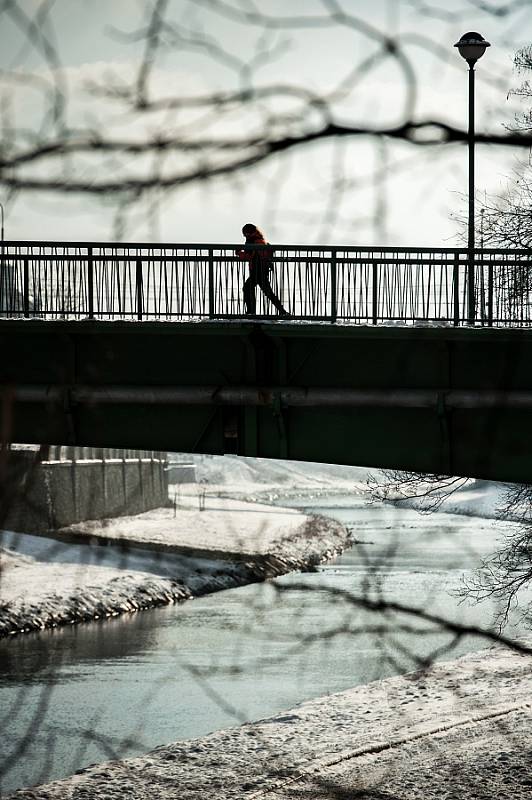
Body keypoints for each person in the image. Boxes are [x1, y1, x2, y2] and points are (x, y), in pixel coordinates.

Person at [235, 223, 289, 316]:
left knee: (248, 288)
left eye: (245, 233)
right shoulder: (260, 240)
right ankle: (283, 312)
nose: (244, 235)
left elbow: (249, 256)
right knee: (267, 292)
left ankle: (251, 312)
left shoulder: (253, 241)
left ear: (248, 232)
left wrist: (239, 253)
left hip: (257, 271)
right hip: (261, 270)